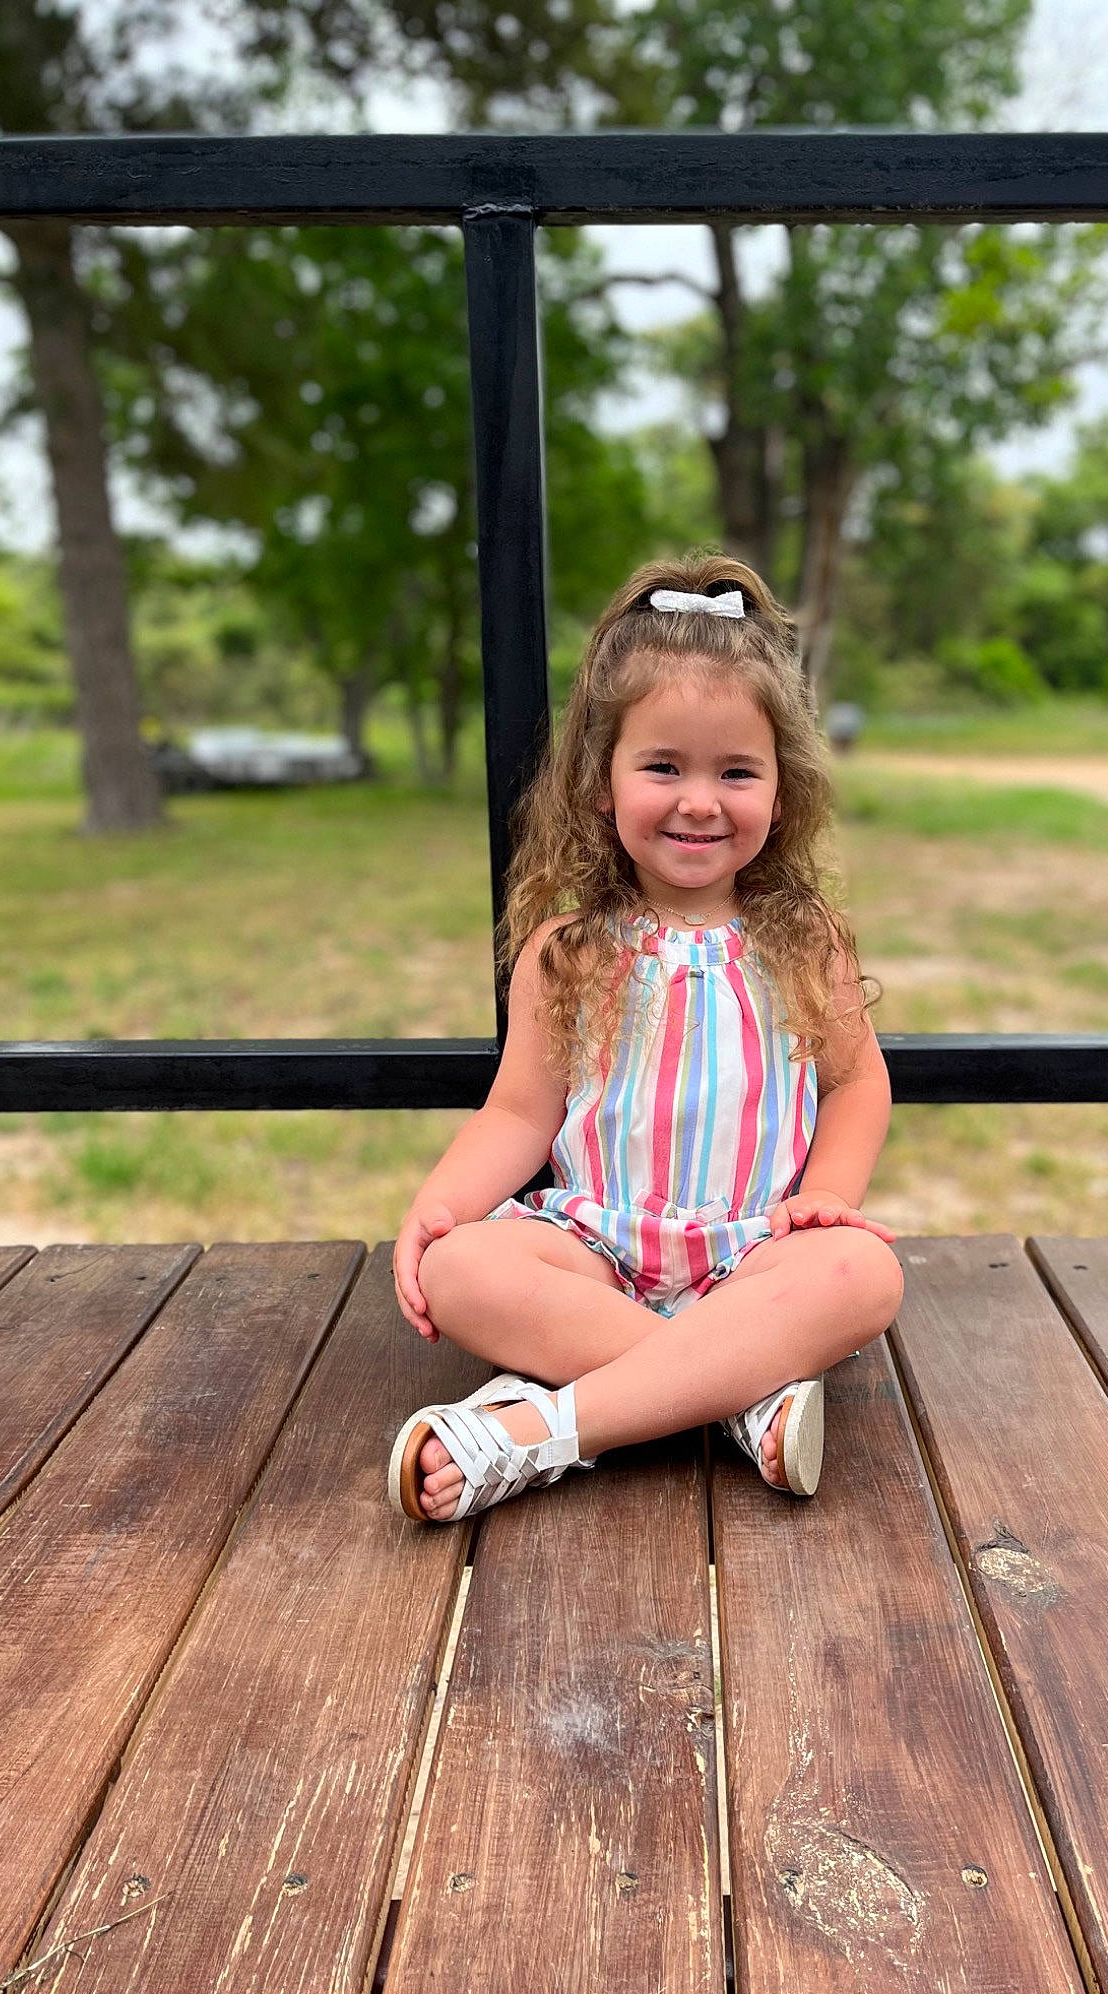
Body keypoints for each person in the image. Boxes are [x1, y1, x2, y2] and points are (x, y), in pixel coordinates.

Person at [387, 552, 903, 1524]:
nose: (699, 800)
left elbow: (855, 1085)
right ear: (601, 781)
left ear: (782, 790)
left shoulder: (805, 940)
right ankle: (739, 1399)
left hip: (752, 1252)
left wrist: (827, 1200)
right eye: (663, 766)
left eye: (736, 771)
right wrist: (440, 1203)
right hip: (596, 1250)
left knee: (863, 1273)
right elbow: (519, 1114)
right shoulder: (568, 951)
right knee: (462, 1268)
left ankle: (538, 1427)